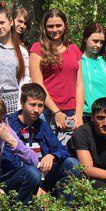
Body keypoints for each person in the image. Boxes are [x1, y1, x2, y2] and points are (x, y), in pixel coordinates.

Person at [4, 83, 80, 199]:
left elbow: (63, 150)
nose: (37, 110)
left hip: (43, 177)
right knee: (32, 173)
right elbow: (10, 163)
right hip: (20, 178)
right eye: (32, 105)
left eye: (40, 105)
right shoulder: (8, 125)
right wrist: (36, 186)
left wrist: (52, 156)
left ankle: (65, 208)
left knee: (72, 163)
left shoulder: (42, 125)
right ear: (22, 103)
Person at [28, 9, 83, 139]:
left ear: (65, 26)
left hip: (71, 113)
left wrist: (79, 114)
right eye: (50, 26)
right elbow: (38, 84)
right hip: (46, 111)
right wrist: (56, 111)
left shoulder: (74, 50)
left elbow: (79, 84)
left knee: (69, 151)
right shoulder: (37, 49)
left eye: (58, 25)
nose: (54, 29)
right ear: (44, 27)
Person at [74, 22, 106, 126]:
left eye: (101, 42)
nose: (98, 45)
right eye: (95, 41)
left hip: (104, 115)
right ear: (85, 39)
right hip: (83, 114)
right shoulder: (77, 61)